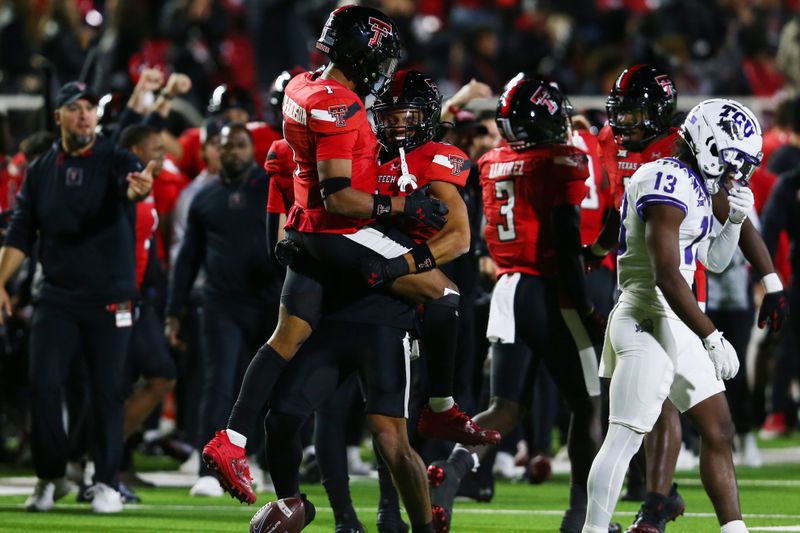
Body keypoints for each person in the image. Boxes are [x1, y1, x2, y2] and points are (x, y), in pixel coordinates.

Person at [202, 5, 497, 505]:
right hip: (340, 230)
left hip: (304, 230)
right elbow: (341, 195)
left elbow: (299, 167)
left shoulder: (301, 86)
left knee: (285, 339)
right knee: (445, 293)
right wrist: (401, 204)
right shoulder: (340, 106)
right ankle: (440, 405)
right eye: (378, 56)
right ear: (362, 53)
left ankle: (231, 439)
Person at [584, 65, 789, 533]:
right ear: (711, 147)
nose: (738, 173)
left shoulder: (694, 181)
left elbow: (712, 263)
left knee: (718, 426)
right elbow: (667, 276)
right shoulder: (667, 179)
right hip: (647, 312)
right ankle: (591, 529)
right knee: (626, 435)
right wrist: (713, 336)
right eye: (734, 160)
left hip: (673, 317)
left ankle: (733, 529)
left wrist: (733, 222)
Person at [427, 76, 611, 533]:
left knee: (505, 407)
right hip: (550, 291)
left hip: (508, 291)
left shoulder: (491, 161)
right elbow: (567, 245)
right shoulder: (560, 161)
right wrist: (587, 310)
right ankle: (580, 518)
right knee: (588, 406)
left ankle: (450, 472)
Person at [0, 81, 155, 513]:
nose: (85, 114)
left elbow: (133, 184)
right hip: (58, 295)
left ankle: (104, 480)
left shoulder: (116, 158)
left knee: (108, 390)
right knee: (43, 386)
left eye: (90, 107)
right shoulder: (42, 170)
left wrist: (137, 190)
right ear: (59, 117)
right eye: (75, 108)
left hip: (110, 296)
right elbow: (19, 233)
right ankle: (51, 476)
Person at [165, 123, 282, 497]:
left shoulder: (272, 186)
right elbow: (187, 260)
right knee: (217, 383)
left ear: (252, 149)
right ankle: (209, 469)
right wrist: (174, 310)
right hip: (220, 303)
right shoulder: (203, 198)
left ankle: (257, 460)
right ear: (212, 150)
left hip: (267, 300)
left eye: (239, 144)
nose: (231, 151)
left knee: (266, 385)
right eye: (224, 145)